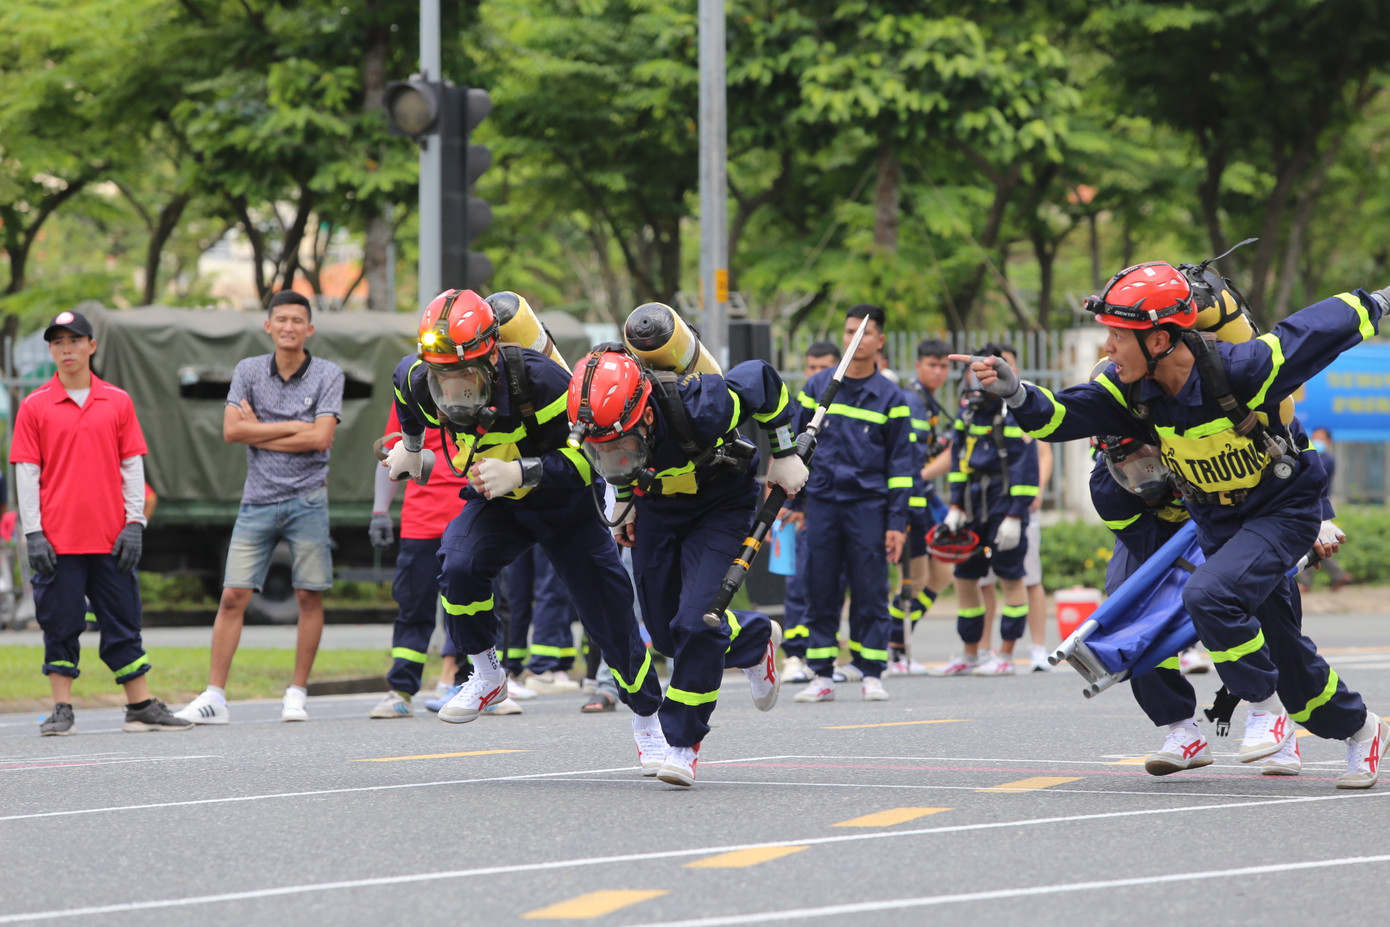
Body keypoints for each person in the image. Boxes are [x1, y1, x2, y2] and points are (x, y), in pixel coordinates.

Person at [956, 266, 1390, 787]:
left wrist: (1382, 300)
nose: (1108, 347)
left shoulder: (1242, 370)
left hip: (1281, 510)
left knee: (1209, 596)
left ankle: (1265, 709)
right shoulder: (1131, 392)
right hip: (1216, 519)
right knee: (1286, 654)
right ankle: (1362, 729)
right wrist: (1018, 394)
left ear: (1160, 338)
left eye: (1118, 335)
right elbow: (1066, 415)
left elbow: (1319, 327)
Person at [384, 289, 666, 769]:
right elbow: (407, 396)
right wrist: (411, 445)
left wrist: (523, 472)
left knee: (611, 619)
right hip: (498, 502)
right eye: (442, 378)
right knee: (458, 564)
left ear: (491, 355)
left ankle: (649, 722)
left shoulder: (543, 382)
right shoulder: (417, 377)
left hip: (565, 506)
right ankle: (487, 673)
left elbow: (589, 462)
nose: (453, 391)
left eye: (465, 377)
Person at [567, 336, 804, 786]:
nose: (615, 451)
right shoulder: (589, 417)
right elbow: (611, 460)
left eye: (624, 441)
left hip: (719, 502)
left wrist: (785, 450)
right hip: (656, 507)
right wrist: (624, 503)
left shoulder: (704, 405)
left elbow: (766, 380)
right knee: (667, 635)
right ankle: (753, 637)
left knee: (697, 623)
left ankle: (682, 744)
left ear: (648, 415)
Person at [13, 310, 192, 735]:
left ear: (92, 346)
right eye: (57, 342)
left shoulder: (118, 400)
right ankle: (62, 709)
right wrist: (33, 533)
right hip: (57, 538)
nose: (66, 349)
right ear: (51, 350)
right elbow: (26, 472)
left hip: (112, 536)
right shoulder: (35, 405)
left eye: (75, 340)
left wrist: (135, 524)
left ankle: (140, 706)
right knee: (60, 620)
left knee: (123, 617)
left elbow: (132, 466)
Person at [176, 290, 344, 725]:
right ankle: (214, 696)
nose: (289, 327)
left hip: (308, 498)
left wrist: (259, 427)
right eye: (281, 319)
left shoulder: (328, 373)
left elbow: (321, 438)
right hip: (256, 499)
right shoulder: (248, 370)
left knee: (308, 595)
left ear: (310, 329)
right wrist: (291, 426)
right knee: (233, 595)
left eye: (297, 320)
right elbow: (232, 432)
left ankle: (297, 693)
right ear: (267, 326)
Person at [786, 304, 913, 703]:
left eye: (863, 332)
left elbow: (901, 467)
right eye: (849, 331)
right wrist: (797, 503)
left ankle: (871, 670)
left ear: (880, 341)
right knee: (819, 585)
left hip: (869, 507)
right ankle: (821, 673)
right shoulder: (819, 387)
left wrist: (897, 521)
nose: (854, 339)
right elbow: (797, 449)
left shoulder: (892, 397)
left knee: (870, 588)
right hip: (822, 503)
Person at [933, 344, 1039, 677]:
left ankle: (1006, 655)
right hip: (971, 507)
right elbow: (957, 461)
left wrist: (1014, 515)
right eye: (971, 372)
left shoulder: (1014, 412)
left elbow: (1025, 467)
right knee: (965, 578)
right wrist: (954, 505)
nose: (975, 380)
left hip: (1003, 505)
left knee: (1011, 577)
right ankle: (971, 652)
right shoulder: (967, 412)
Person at [365, 404, 470, 718]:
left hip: (472, 519)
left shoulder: (480, 382)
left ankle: (477, 684)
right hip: (422, 522)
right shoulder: (411, 391)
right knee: (413, 607)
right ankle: (400, 691)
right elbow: (391, 454)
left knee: (476, 605)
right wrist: (379, 512)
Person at [969, 343, 1054, 672]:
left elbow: (1040, 455)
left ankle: (1035, 647)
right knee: (985, 582)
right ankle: (984, 650)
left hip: (1018, 507)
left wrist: (1034, 494)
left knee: (1026, 577)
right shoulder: (980, 408)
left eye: (1008, 367)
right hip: (988, 511)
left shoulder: (1025, 404)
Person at [888, 338, 954, 675]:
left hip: (923, 499)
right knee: (912, 580)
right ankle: (895, 646)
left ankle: (895, 637)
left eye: (944, 366)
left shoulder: (927, 400)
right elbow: (910, 460)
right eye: (932, 364)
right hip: (911, 502)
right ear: (918, 366)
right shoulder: (913, 401)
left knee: (940, 574)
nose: (938, 371)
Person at [780, 340, 841, 684]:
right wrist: (792, 505)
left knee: (832, 585)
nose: (816, 375)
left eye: (824, 368)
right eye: (811, 368)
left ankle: (823, 652)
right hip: (805, 508)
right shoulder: (804, 403)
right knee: (798, 582)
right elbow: (790, 453)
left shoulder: (847, 404)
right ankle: (794, 654)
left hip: (835, 508)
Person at [1299, 426, 1354, 592]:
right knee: (1315, 543)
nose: (1317, 441)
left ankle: (1307, 582)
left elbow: (1314, 472)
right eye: (1314, 438)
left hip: (1319, 507)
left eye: (1321, 438)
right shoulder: (1308, 456)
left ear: (1328, 442)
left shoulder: (1328, 460)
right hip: (1306, 504)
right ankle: (1338, 575)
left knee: (1312, 542)